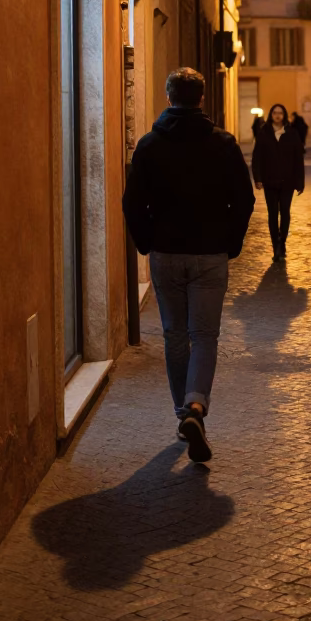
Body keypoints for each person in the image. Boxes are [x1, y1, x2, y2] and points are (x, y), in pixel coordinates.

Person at [122, 67, 255, 463]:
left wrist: (146, 242)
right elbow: (244, 199)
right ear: (201, 98)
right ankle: (195, 408)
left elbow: (132, 203)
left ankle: (184, 414)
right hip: (210, 254)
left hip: (166, 254)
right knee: (205, 336)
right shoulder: (224, 144)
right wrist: (230, 242)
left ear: (168, 98)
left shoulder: (148, 146)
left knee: (175, 337)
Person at [251, 103, 304, 260]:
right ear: (271, 115)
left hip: (287, 181)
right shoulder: (264, 133)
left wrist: (300, 182)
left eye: (280, 112)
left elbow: (298, 159)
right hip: (270, 180)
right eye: (275, 112)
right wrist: (258, 178)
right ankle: (276, 245)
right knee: (273, 214)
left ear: (284, 115)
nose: (278, 115)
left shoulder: (292, 133)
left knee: (285, 212)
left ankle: (283, 241)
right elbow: (257, 158)